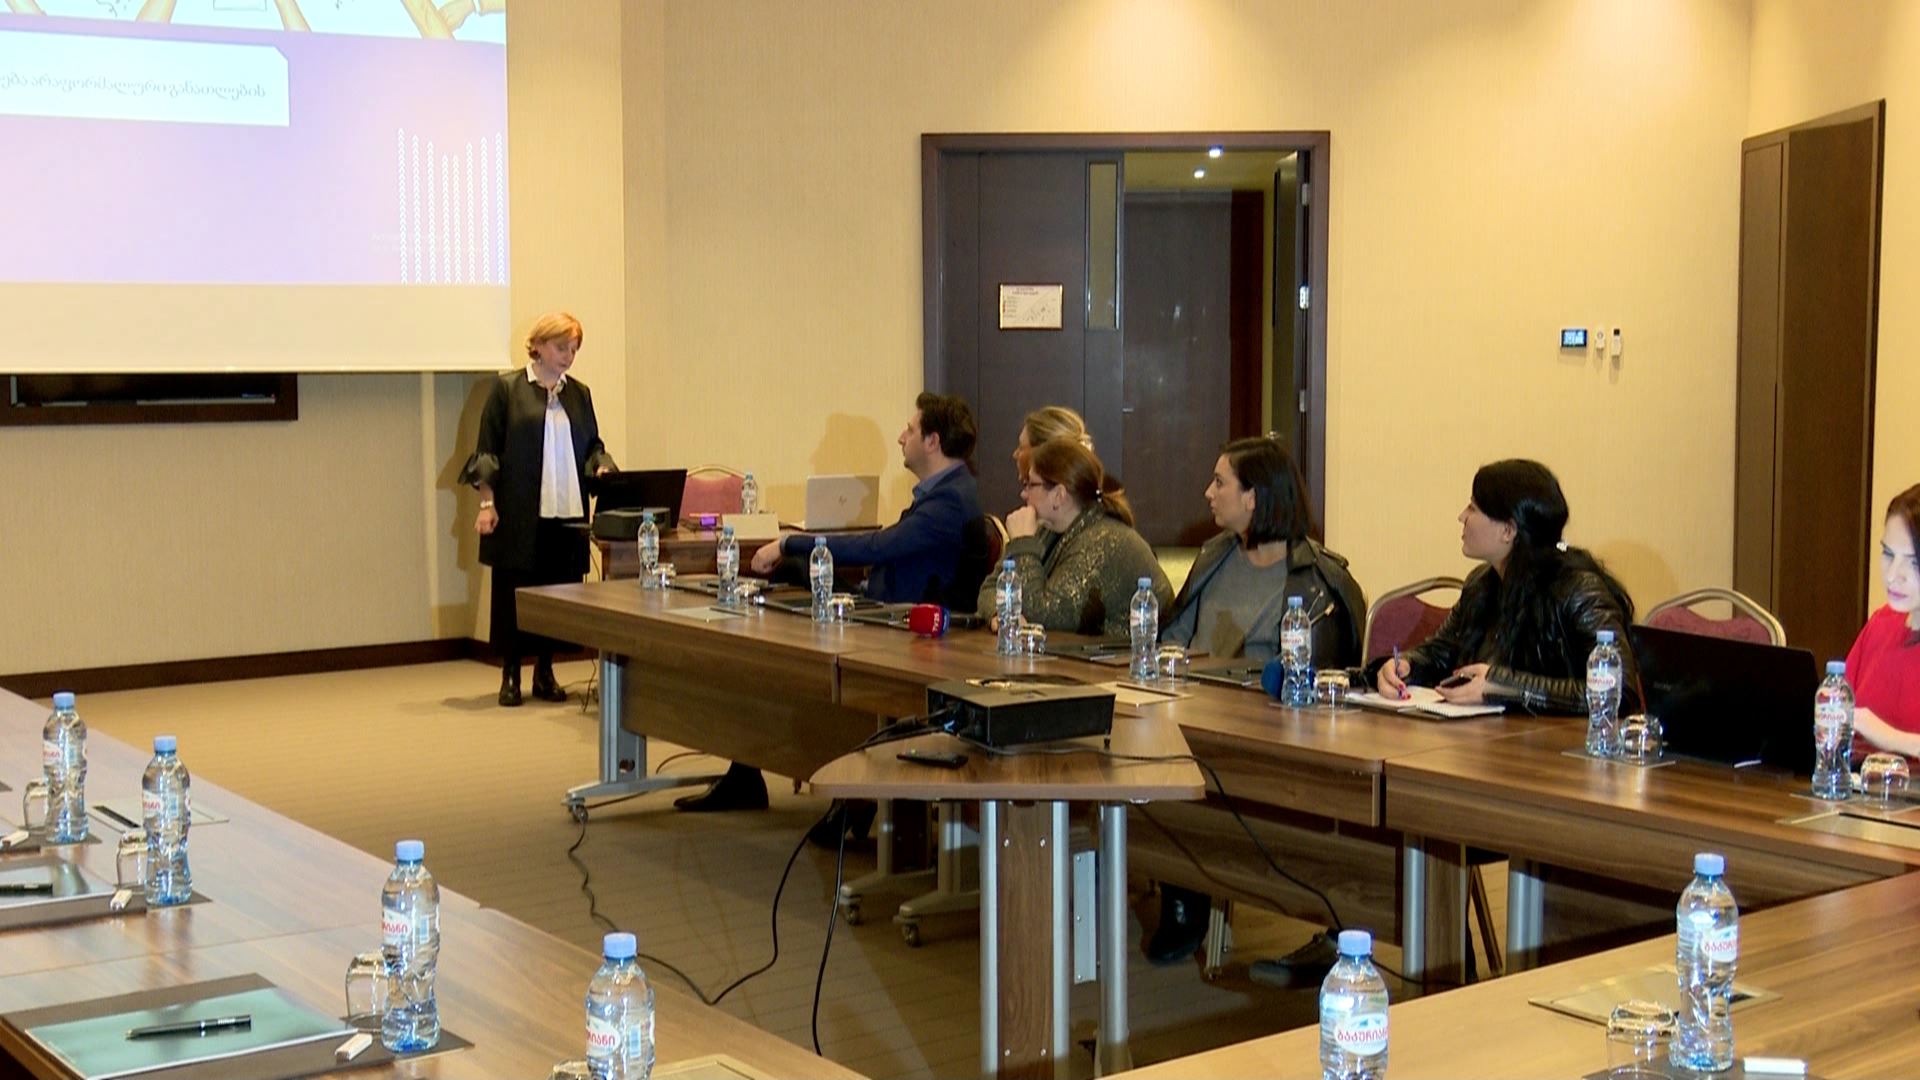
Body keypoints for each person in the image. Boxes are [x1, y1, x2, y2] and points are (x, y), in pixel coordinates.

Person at [673, 392, 987, 816]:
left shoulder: (949, 501)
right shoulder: (945, 490)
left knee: (791, 575)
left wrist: (790, 541)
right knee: (787, 589)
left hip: (900, 627)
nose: (901, 437)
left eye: (910, 430)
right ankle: (751, 758)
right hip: (890, 614)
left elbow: (879, 547)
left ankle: (779, 770)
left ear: (932, 441)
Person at [1145, 436, 1367, 967]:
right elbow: (1172, 636)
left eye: (1220, 482)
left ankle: (1193, 893)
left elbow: (1325, 683)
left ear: (1254, 497)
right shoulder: (1215, 556)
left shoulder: (1321, 580)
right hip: (1195, 713)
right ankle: (1182, 891)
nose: (1208, 493)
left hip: (1268, 738)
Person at [1367, 458, 1636, 712]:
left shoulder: (1580, 590)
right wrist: (1406, 665)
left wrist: (1505, 687)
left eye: (1473, 508)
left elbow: (1620, 691)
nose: (1462, 516)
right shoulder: (1481, 584)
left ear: (1508, 530)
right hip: (1491, 736)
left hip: (1561, 742)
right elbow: (1442, 652)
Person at [459, 312, 615, 707]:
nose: (569, 356)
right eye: (562, 347)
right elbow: (487, 451)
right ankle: (511, 674)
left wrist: (601, 464)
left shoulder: (579, 394)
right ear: (539, 346)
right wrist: (487, 504)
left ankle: (545, 672)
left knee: (558, 593)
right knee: (515, 593)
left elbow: (592, 445)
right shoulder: (507, 389)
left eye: (574, 349)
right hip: (521, 513)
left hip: (567, 512)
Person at [976, 437, 1170, 635]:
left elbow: (1044, 616)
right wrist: (999, 614)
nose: (1023, 494)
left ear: (1059, 495)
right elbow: (990, 588)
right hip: (1075, 651)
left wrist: (1022, 544)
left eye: (1031, 485)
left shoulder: (1103, 540)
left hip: (1134, 653)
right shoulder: (1047, 529)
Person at [1847, 483, 1920, 760]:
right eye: (1888, 554)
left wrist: (1890, 737)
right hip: (1860, 780)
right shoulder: (1882, 624)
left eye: (1914, 563)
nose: (1892, 575)